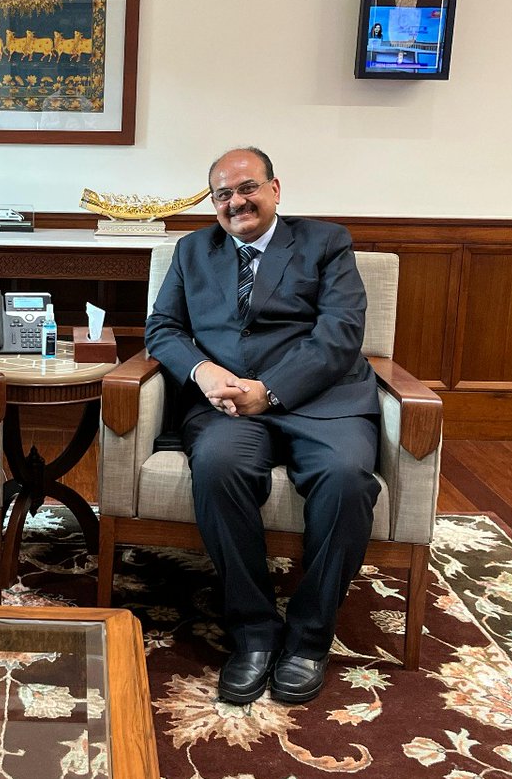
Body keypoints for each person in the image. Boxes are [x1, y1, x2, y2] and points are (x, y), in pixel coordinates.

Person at [145, 146, 379, 705]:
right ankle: (253, 632)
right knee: (221, 466)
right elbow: (162, 329)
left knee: (347, 476)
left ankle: (308, 639)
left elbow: (341, 332)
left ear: (276, 189)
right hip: (226, 402)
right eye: (222, 194)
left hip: (321, 398)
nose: (236, 202)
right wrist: (202, 373)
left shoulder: (326, 242)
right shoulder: (192, 250)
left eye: (247, 187)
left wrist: (269, 392)